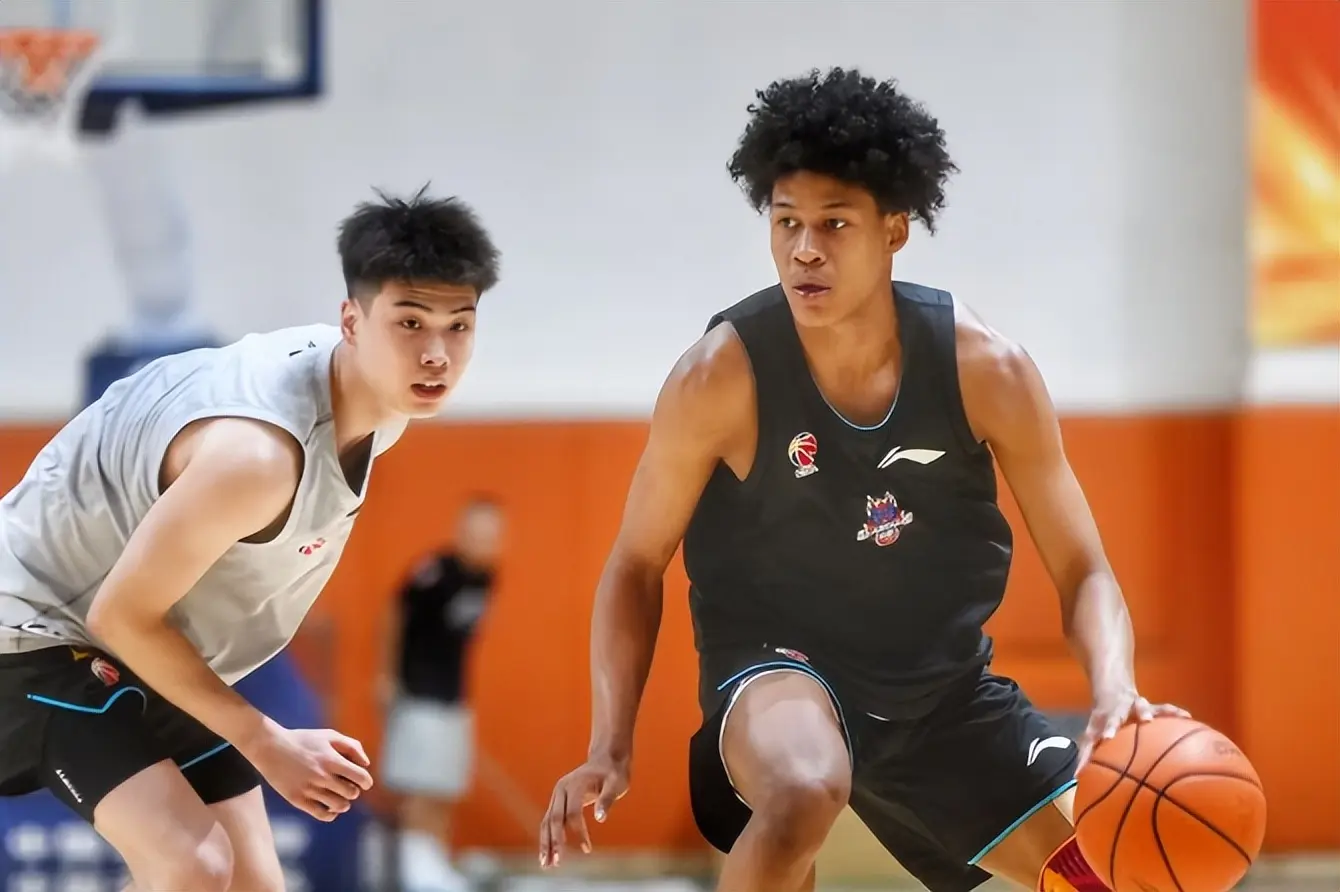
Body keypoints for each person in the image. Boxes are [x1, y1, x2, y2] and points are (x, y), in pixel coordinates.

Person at [539, 68, 1186, 892]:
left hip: (940, 691)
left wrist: (1115, 688)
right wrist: (610, 743)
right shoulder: (719, 378)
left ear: (895, 230)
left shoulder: (988, 372)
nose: (804, 249)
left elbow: (1083, 567)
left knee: (1113, 876)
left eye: (834, 223)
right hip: (778, 669)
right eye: (786, 222)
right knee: (806, 788)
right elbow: (636, 562)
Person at [0, 185, 500, 892]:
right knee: (192, 863)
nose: (436, 354)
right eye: (411, 323)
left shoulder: (376, 402)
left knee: (253, 881)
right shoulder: (257, 457)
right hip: (32, 633)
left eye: (459, 326)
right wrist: (267, 740)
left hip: (131, 641)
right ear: (352, 321)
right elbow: (121, 615)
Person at [379, 495, 504, 891]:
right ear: (461, 532)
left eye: (493, 535)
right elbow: (394, 613)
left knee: (446, 785)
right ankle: (414, 870)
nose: (485, 542)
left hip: (454, 698)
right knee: (420, 785)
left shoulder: (487, 578)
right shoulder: (434, 573)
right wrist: (386, 676)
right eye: (478, 533)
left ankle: (435, 861)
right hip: (419, 694)